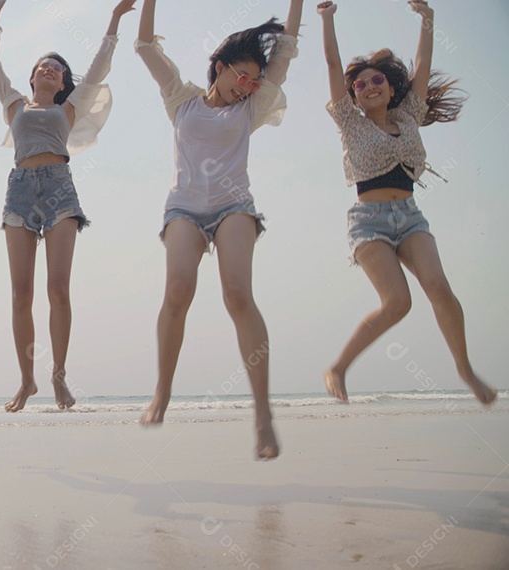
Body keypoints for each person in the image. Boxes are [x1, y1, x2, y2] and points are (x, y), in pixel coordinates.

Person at [134, 0, 304, 460]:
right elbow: (146, 46)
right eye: (241, 76)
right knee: (178, 290)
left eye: (254, 80)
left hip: (234, 206)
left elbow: (286, 50)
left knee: (237, 295)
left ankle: (263, 415)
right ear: (220, 67)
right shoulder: (182, 99)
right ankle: (163, 392)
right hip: (185, 209)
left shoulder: (251, 108)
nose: (247, 86)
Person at [317, 0, 496, 406]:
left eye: (377, 79)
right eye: (360, 85)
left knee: (440, 288)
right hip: (369, 223)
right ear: (354, 98)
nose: (369, 86)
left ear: (391, 87)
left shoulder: (411, 114)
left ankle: (465, 370)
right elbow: (331, 64)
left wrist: (428, 20)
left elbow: (423, 62)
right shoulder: (350, 123)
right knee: (398, 303)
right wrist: (327, 19)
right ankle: (339, 367)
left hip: (410, 217)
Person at [0, 0, 135, 412]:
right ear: (32, 77)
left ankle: (59, 375)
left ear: (63, 80)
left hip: (59, 191)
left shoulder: (68, 108)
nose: (50, 69)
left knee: (58, 289)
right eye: (43, 66)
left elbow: (101, 65)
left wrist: (116, 18)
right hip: (19, 191)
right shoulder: (14, 104)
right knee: (20, 293)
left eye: (57, 67)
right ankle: (27, 381)